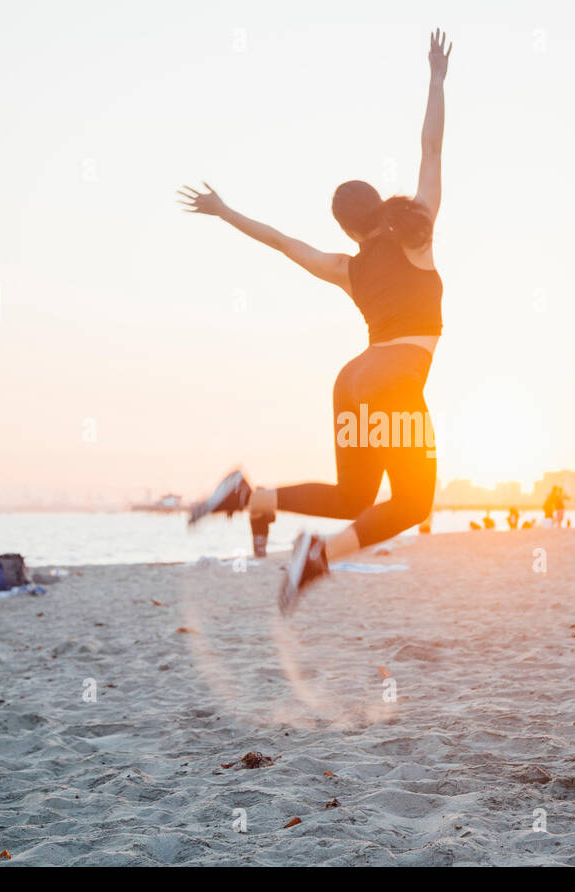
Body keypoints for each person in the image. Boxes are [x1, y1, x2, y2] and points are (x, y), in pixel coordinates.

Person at [181, 31, 453, 612]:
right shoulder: (417, 234)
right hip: (395, 379)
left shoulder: (346, 266)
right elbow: (431, 150)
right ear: (379, 205)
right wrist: (436, 79)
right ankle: (317, 555)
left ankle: (251, 497)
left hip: (351, 381)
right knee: (412, 503)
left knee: (356, 493)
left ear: (347, 228)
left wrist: (224, 209)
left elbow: (280, 241)